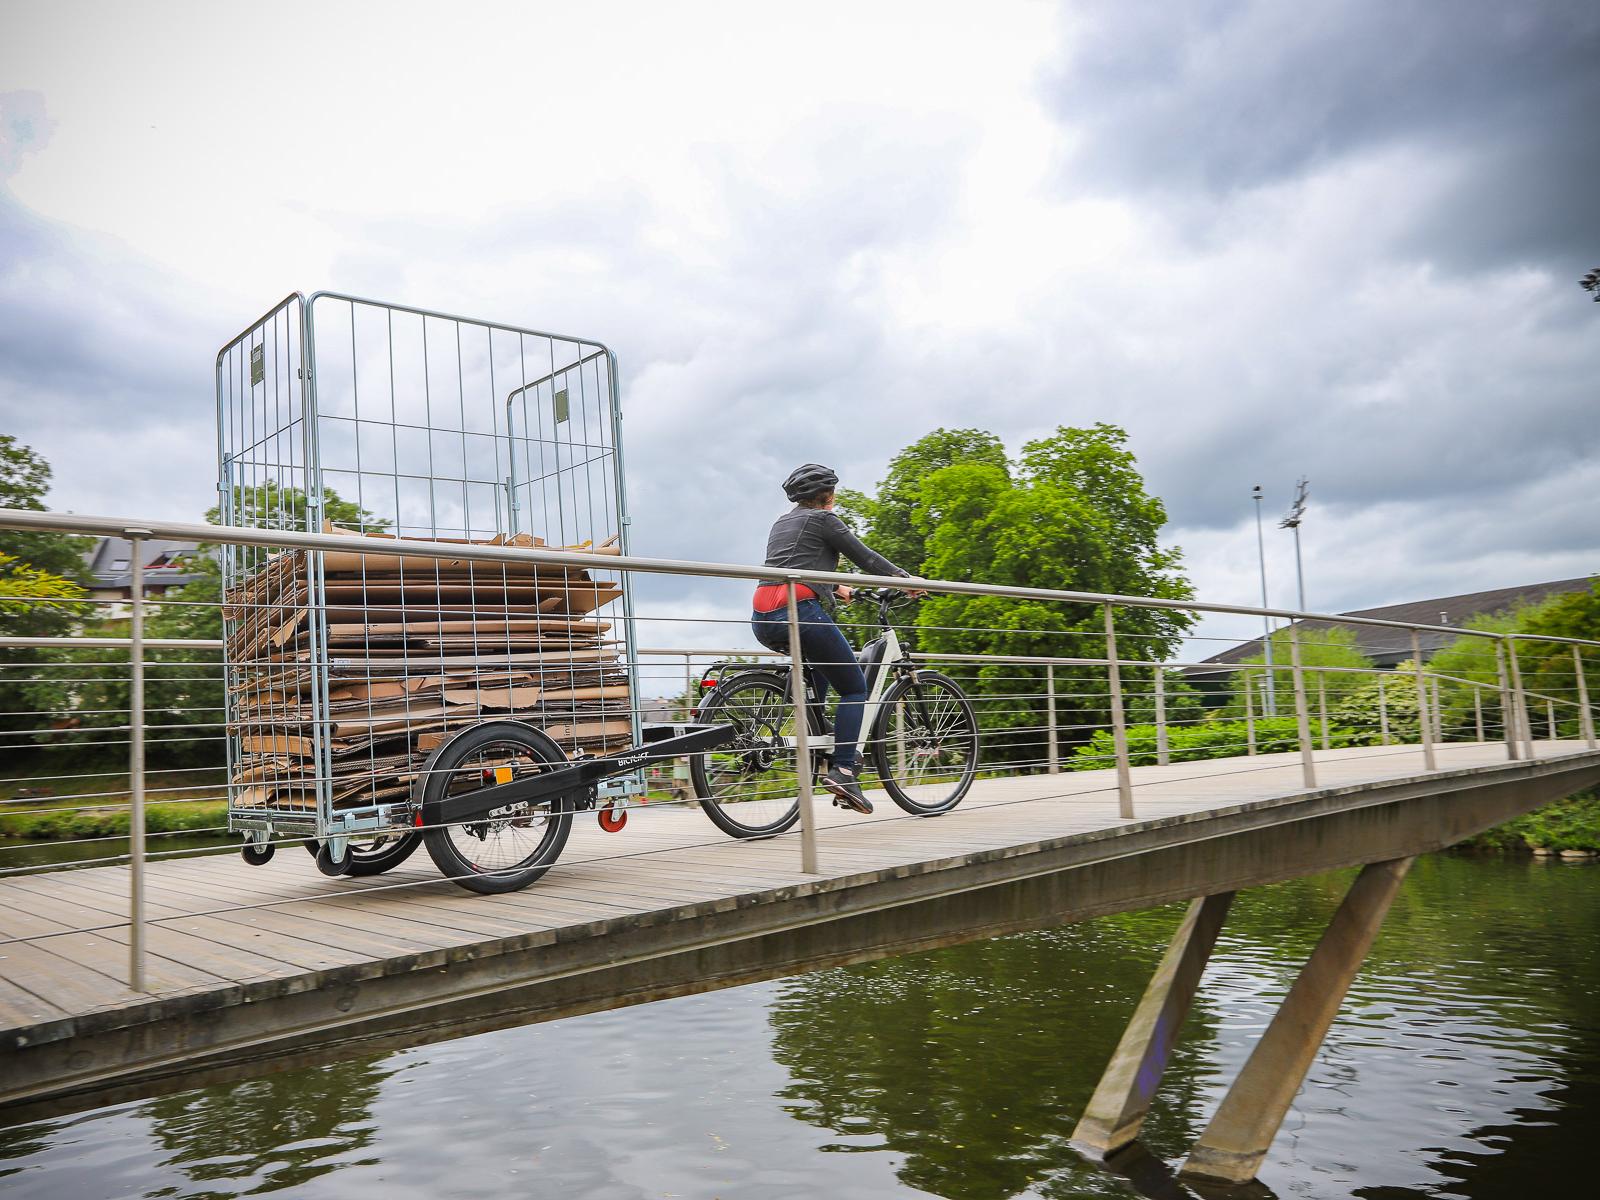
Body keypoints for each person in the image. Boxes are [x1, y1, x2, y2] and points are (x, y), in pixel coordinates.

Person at [750, 463, 920, 814]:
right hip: (798, 612)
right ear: (828, 495)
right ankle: (843, 770)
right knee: (855, 687)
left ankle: (821, 732)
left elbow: (796, 561)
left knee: (822, 666)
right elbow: (867, 558)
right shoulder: (825, 520)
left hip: (763, 616)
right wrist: (906, 580)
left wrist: (835, 586)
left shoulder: (783, 522)